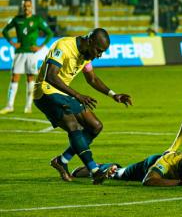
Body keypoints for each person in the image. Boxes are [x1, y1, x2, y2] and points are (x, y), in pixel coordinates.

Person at [33, 28, 132, 185]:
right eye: (98, 50)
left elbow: (92, 79)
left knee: (95, 126)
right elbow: (50, 76)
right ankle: (95, 170)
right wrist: (77, 95)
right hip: (45, 91)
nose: (99, 55)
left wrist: (113, 95)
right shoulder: (64, 46)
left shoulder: (86, 55)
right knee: (73, 125)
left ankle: (62, 160)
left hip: (62, 93)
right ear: (90, 41)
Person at [1, 0, 53, 114]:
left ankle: (28, 106)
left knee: (30, 78)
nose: (26, 8)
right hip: (19, 52)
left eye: (28, 6)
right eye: (24, 6)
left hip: (31, 53)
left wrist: (40, 47)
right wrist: (12, 43)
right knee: (14, 77)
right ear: (22, 7)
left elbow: (50, 33)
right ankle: (10, 106)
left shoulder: (37, 19)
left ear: (32, 7)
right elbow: (4, 31)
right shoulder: (16, 19)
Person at [71, 151, 182, 186]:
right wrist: (180, 182)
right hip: (150, 164)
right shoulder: (167, 163)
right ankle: (100, 167)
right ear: (177, 170)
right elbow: (148, 181)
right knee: (119, 173)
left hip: (180, 169)